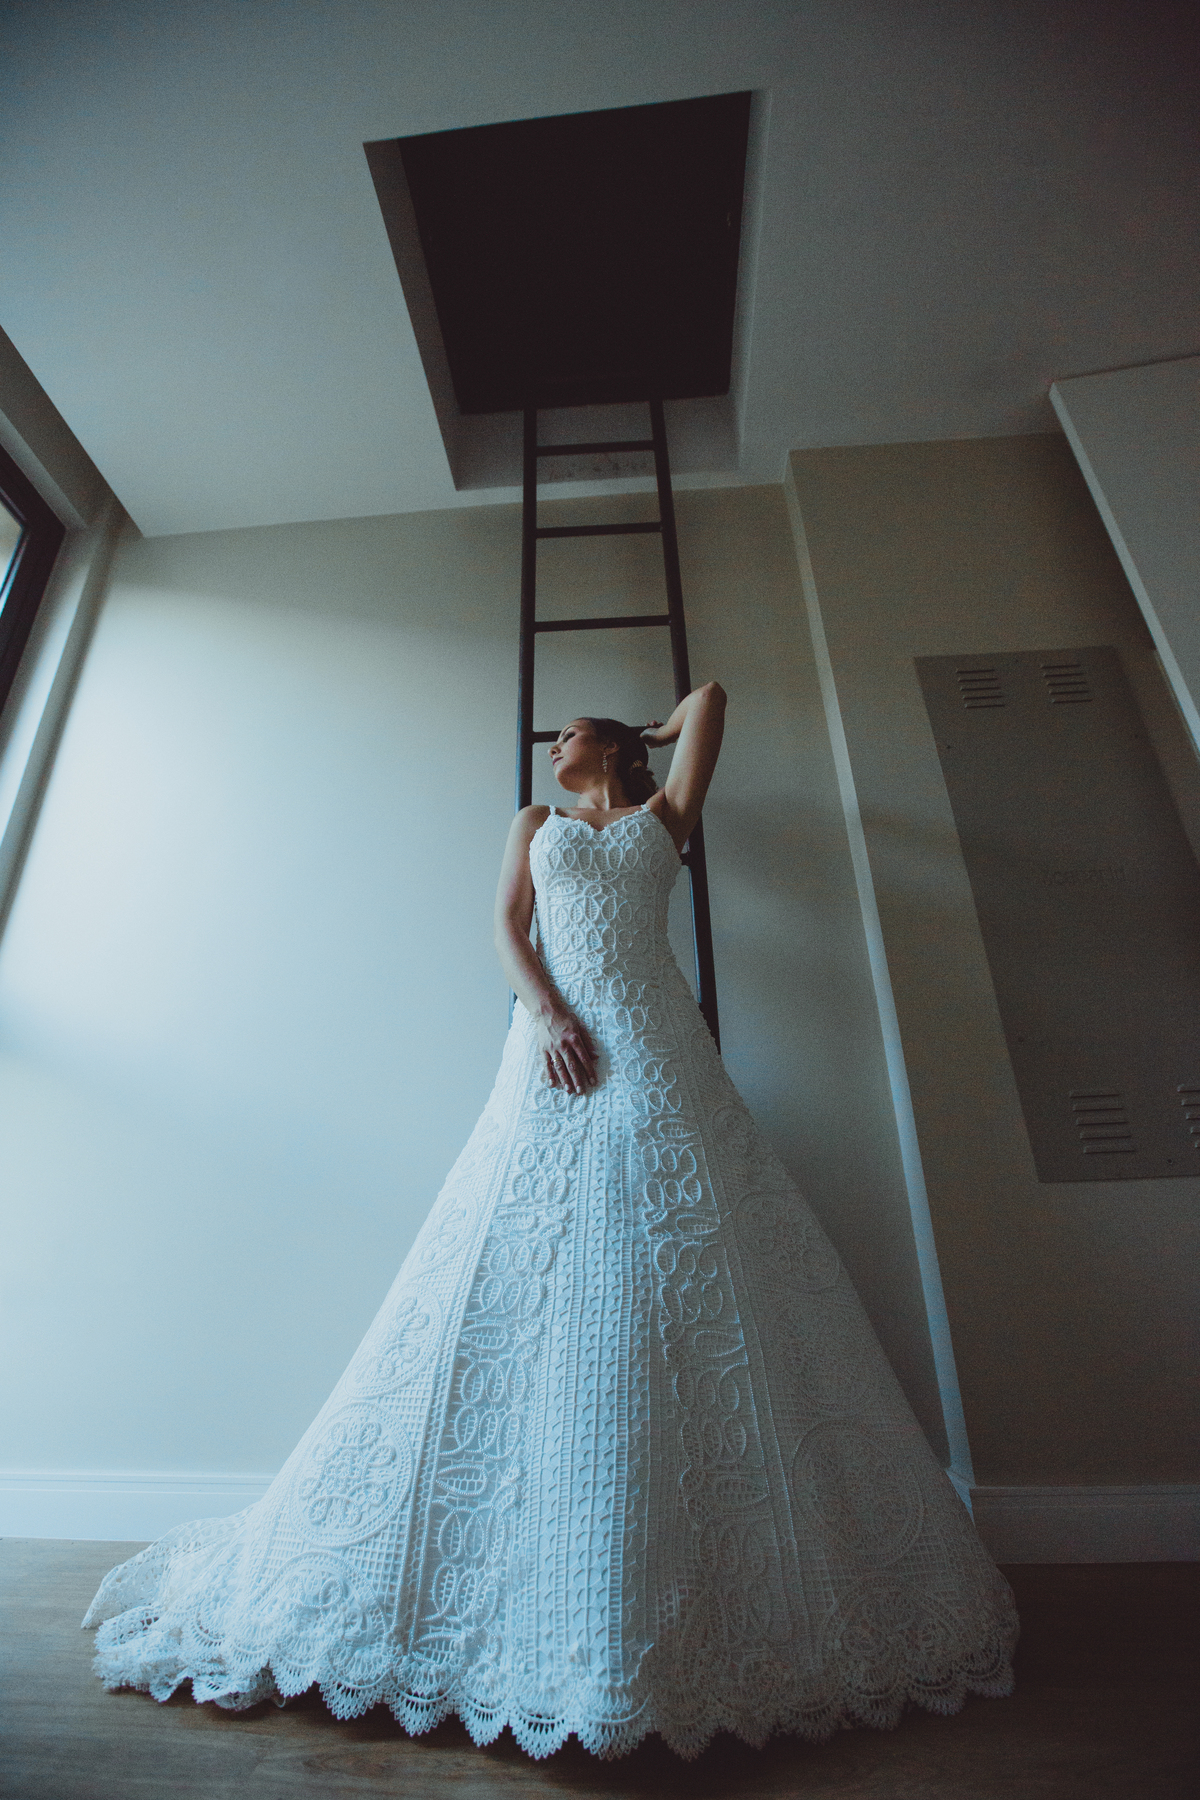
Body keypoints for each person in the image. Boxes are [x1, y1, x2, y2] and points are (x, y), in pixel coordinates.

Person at [84, 682, 1017, 1761]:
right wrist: (549, 1012)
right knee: (516, 1259)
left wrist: (653, 735)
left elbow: (714, 700)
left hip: (661, 1048)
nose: (557, 744)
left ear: (615, 746)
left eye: (575, 732)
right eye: (562, 734)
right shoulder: (535, 825)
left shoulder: (665, 817)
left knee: (691, 1254)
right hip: (561, 1052)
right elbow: (502, 927)